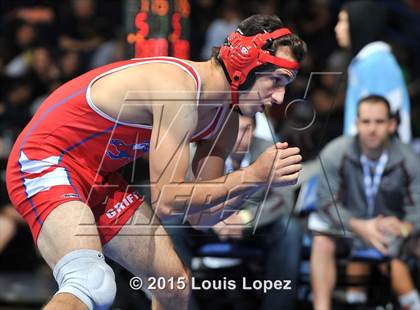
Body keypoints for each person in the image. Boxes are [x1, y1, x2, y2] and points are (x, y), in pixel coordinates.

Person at [6, 14, 307, 310]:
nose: (280, 97)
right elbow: (167, 200)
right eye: (276, 80)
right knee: (91, 282)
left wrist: (258, 181)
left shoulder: (224, 121)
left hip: (100, 175)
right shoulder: (179, 89)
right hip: (47, 156)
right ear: (245, 64)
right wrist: (252, 176)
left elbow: (200, 218)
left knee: (174, 285)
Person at [310, 95, 420, 310]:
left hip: (393, 228)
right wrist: (359, 226)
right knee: (322, 241)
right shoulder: (335, 153)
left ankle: (411, 301)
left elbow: (418, 207)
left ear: (392, 124)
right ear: (356, 123)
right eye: (366, 122)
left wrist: (405, 227)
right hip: (348, 229)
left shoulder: (408, 159)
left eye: (379, 122)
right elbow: (325, 203)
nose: (372, 129)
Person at [335, 0, 412, 143]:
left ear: (359, 22)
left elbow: (382, 126)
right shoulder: (368, 61)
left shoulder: (377, 63)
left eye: (343, 21)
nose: (337, 28)